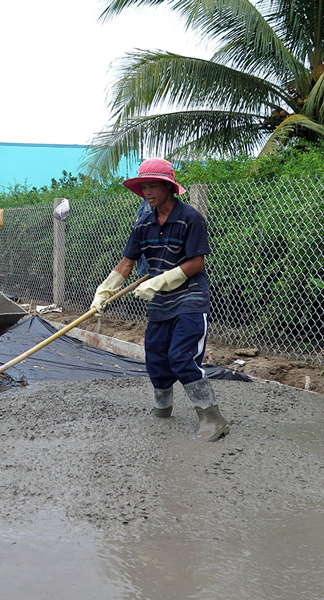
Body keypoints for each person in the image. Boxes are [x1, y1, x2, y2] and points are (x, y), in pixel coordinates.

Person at [90, 158, 228, 442]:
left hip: (190, 299)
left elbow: (196, 264)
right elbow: (126, 264)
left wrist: (160, 280)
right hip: (160, 305)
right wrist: (104, 290)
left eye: (153, 185)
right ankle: (162, 411)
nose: (147, 191)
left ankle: (212, 418)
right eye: (144, 186)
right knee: (155, 359)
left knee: (180, 356)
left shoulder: (190, 218)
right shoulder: (143, 225)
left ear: (168, 187)